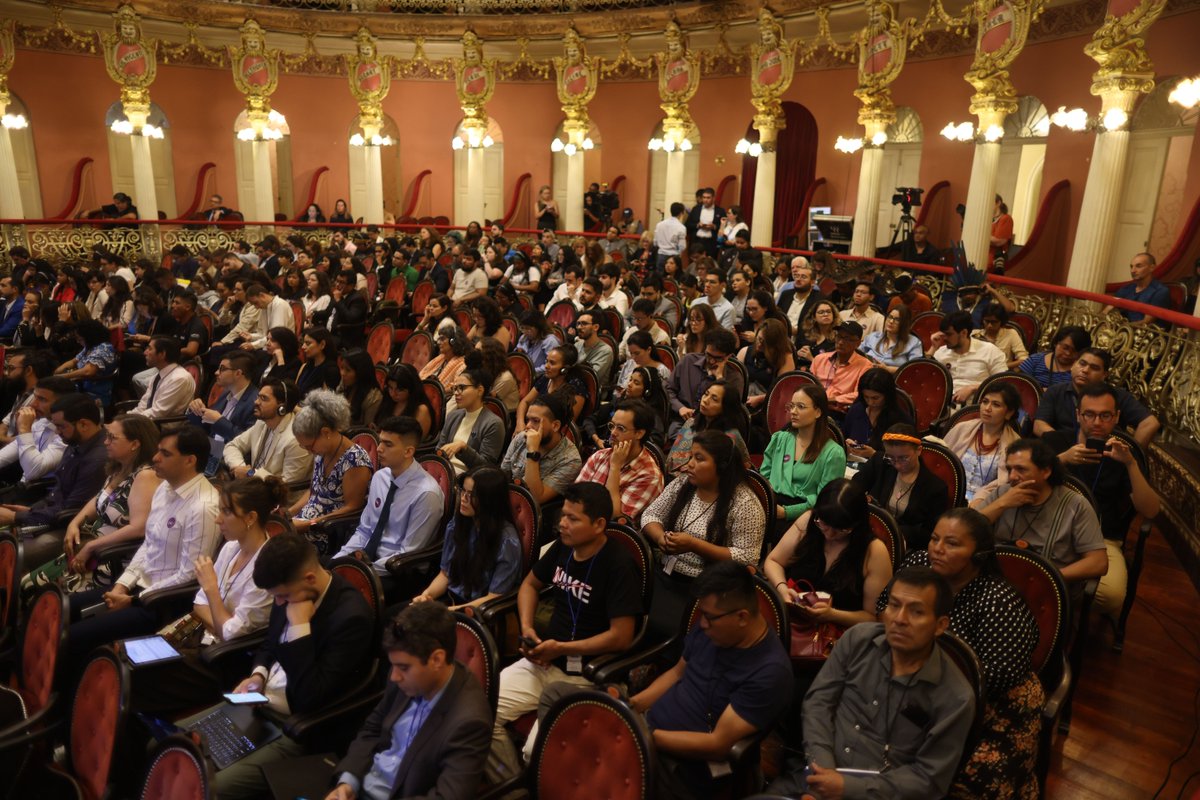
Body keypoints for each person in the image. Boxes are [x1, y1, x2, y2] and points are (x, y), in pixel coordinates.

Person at [877, 509, 1043, 799]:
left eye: (952, 544)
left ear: (978, 554)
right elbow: (883, 607)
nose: (937, 550)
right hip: (916, 683)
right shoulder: (918, 563)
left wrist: (927, 685)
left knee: (954, 779)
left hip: (990, 708)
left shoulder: (997, 601)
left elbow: (997, 678)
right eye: (934, 539)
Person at [769, 567, 975, 799]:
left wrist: (845, 788)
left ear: (940, 625)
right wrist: (824, 775)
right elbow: (818, 703)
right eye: (894, 606)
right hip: (816, 776)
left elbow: (928, 780)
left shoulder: (955, 697)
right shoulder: (857, 640)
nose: (899, 619)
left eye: (916, 612)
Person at [492, 481, 644, 771]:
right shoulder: (563, 546)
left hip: (589, 675)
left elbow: (622, 637)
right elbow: (529, 586)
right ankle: (512, 790)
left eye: (573, 519)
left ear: (599, 524)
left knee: (535, 753)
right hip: (545, 660)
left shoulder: (618, 565)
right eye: (563, 515)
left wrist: (561, 648)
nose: (562, 524)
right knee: (482, 712)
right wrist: (527, 628)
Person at [215, 533, 374, 800]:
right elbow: (270, 643)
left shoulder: (351, 618)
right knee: (174, 744)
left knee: (211, 786)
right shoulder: (289, 592)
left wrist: (300, 629)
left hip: (296, 727)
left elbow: (309, 697)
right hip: (259, 703)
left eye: (282, 597)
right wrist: (258, 675)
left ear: (310, 578)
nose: (278, 603)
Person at [63, 425, 221, 672]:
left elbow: (190, 575)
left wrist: (136, 598)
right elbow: (148, 545)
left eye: (165, 454)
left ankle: (68, 696)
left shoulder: (203, 507)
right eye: (158, 451)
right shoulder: (164, 489)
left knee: (73, 635)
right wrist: (121, 585)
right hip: (136, 589)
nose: (155, 458)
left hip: (162, 603)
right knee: (63, 609)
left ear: (190, 460)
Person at [631, 561, 793, 800]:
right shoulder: (714, 630)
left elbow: (716, 744)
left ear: (741, 617)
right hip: (649, 732)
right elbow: (677, 673)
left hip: (685, 768)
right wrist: (631, 706)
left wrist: (642, 735)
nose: (702, 623)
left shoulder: (770, 673)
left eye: (708, 616)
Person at [327, 602, 492, 800]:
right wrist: (348, 781)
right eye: (394, 666)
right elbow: (372, 730)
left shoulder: (469, 723)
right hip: (360, 785)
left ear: (437, 660)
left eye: (403, 668)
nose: (394, 677)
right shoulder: (406, 674)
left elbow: (447, 796)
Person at [1043, 383, 1161, 619]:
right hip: (1048, 526)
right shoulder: (1055, 441)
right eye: (1089, 414)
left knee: (1110, 596)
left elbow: (1150, 510)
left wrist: (1130, 464)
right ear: (1078, 414)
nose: (1097, 423)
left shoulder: (1127, 453)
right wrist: (1062, 460)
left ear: (1116, 417)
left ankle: (1051, 589)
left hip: (1101, 536)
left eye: (1105, 415)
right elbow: (1022, 482)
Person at [22, 414, 161, 597]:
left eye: (112, 437)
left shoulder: (145, 476)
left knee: (34, 592)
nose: (105, 442)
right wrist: (74, 523)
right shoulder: (119, 467)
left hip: (109, 558)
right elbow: (100, 498)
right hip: (89, 546)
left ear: (135, 444)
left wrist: (92, 546)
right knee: (25, 584)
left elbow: (138, 528)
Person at [643, 431, 765, 633]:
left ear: (722, 466)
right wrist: (660, 538)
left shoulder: (744, 503)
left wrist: (694, 545)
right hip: (665, 574)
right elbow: (651, 515)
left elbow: (747, 557)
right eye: (691, 456)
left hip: (707, 590)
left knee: (665, 627)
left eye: (699, 459)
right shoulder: (684, 484)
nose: (689, 464)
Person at [970, 438, 1108, 588]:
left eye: (1021, 469)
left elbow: (1098, 563)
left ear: (1046, 471)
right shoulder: (1004, 493)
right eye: (1010, 469)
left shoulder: (1076, 505)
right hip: (997, 578)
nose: (1012, 477)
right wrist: (1001, 504)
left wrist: (1049, 577)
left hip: (1043, 587)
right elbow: (967, 530)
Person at [334, 416, 443, 597]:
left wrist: (360, 571)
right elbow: (365, 530)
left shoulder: (426, 494)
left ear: (408, 452)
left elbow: (408, 553)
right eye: (379, 442)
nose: (379, 449)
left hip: (399, 571)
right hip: (368, 560)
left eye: (388, 444)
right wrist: (341, 559)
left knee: (342, 594)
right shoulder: (380, 477)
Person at [763, 478, 892, 628]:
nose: (829, 535)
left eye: (841, 529)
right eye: (823, 524)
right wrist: (783, 588)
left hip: (839, 635)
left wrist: (833, 614)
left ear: (857, 525)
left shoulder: (874, 551)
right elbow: (773, 561)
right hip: (792, 620)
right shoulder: (809, 523)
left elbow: (874, 618)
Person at [0, 395, 110, 566]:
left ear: (83, 424)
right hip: (52, 514)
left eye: (61, 426)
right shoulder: (75, 443)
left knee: (6, 555)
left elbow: (70, 512)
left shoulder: (98, 459)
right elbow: (57, 492)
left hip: (73, 528)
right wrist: (31, 511)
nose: (57, 432)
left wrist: (18, 517)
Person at [413, 466, 522, 609]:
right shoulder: (458, 523)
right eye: (463, 491)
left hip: (478, 613)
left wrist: (453, 611)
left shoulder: (507, 542)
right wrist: (427, 595)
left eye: (472, 495)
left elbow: (494, 597)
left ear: (490, 501)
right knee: (397, 616)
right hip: (452, 600)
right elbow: (445, 575)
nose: (463, 498)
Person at [1033, 347, 1160, 446]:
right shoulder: (1055, 391)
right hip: (1064, 452)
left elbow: (1150, 423)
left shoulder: (1118, 395)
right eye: (1082, 364)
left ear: (1104, 375)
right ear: (1073, 365)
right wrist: (1064, 444)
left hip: (1105, 456)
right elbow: (1039, 425)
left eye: (1094, 368)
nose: (1085, 370)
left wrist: (1132, 455)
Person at [288, 390, 372, 535]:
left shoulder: (356, 461)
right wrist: (288, 514)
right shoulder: (322, 451)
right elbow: (314, 492)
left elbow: (352, 508)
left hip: (329, 529)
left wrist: (309, 524)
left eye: (309, 446)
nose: (309, 451)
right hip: (306, 522)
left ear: (326, 433)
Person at [853, 424, 949, 550]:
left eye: (904, 458)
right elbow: (854, 488)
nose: (897, 465)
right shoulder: (880, 462)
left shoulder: (935, 488)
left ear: (919, 450)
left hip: (905, 545)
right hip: (869, 533)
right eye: (891, 457)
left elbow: (930, 533)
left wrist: (890, 531)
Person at [761, 385, 847, 521]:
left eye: (800, 407)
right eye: (792, 406)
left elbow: (825, 499)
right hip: (770, 504)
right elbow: (763, 478)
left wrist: (787, 512)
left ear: (818, 412)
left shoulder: (834, 453)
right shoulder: (779, 439)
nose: (793, 412)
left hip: (804, 515)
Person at [576, 399, 664, 522]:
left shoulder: (650, 476)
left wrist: (615, 467)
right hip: (579, 523)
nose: (612, 433)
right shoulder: (599, 456)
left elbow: (614, 518)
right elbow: (574, 498)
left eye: (621, 429)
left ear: (639, 433)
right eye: (612, 426)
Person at [223, 378, 313, 485]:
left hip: (279, 498)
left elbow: (288, 483)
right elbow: (232, 446)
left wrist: (251, 474)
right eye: (258, 397)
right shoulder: (261, 423)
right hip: (253, 488)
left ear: (282, 407)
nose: (256, 402)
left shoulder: (296, 439)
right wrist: (240, 467)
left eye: (264, 398)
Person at [500, 393, 582, 505]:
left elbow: (534, 499)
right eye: (528, 419)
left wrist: (532, 452)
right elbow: (503, 475)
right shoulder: (521, 437)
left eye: (535, 421)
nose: (528, 426)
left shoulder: (570, 460)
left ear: (555, 426)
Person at [0, 375, 74, 486]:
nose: (32, 404)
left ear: (62, 403)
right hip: (23, 488)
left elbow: (33, 472)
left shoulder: (67, 433)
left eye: (42, 399)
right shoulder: (42, 422)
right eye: (35, 397)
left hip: (43, 493)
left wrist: (24, 429)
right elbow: (4, 456)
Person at [664, 381, 748, 475]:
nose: (705, 400)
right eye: (706, 394)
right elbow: (670, 462)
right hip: (675, 480)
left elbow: (737, 472)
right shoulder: (691, 423)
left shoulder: (731, 437)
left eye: (714, 399)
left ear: (725, 406)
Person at [668, 329, 744, 432]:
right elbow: (669, 390)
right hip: (681, 420)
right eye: (709, 355)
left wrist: (720, 378)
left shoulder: (734, 378)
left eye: (718, 358)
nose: (711, 361)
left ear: (728, 357)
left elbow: (730, 412)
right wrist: (680, 408)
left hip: (712, 428)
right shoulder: (688, 361)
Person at [930, 310, 1007, 405]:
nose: (944, 338)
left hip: (976, 405)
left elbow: (1003, 381)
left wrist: (973, 388)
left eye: (949, 334)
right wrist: (933, 348)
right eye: (943, 334)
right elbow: (927, 379)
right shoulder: (941, 352)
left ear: (964, 333)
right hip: (943, 403)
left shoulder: (990, 351)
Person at [437, 369, 505, 475]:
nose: (456, 393)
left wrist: (463, 447)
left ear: (480, 390)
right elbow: (439, 449)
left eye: (461, 388)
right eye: (454, 388)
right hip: (444, 470)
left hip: (468, 478)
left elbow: (485, 467)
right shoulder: (453, 415)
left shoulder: (494, 424)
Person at [840, 367, 914, 460]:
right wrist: (846, 445)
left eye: (875, 398)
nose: (870, 402)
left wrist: (874, 454)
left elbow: (905, 459)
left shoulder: (900, 420)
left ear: (887, 395)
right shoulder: (857, 409)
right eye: (866, 397)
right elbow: (844, 436)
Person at [186, 351, 259, 440]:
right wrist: (196, 410)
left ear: (238, 373)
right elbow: (207, 426)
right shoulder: (226, 393)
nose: (216, 372)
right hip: (211, 446)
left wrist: (219, 421)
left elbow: (248, 441)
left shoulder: (256, 402)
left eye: (222, 369)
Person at [516, 345, 587, 428]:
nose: (546, 366)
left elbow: (568, 425)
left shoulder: (575, 388)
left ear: (565, 369)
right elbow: (525, 402)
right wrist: (520, 423)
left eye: (552, 363)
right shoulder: (545, 378)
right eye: (547, 361)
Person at [811, 321, 872, 413]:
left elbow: (860, 394)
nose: (840, 342)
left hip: (840, 412)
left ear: (858, 343)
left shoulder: (865, 365)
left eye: (847, 339)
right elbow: (808, 385)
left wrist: (834, 399)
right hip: (814, 407)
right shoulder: (819, 359)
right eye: (839, 336)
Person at [55, 319, 118, 406]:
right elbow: (73, 361)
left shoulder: (104, 348)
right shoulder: (89, 347)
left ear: (89, 337)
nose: (77, 342)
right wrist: (56, 372)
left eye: (80, 339)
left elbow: (88, 371)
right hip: (80, 388)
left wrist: (62, 377)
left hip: (95, 394)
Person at [130, 337, 197, 420]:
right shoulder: (158, 375)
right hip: (150, 422)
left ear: (162, 354)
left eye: (149, 349)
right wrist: (127, 417)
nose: (145, 352)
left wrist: (130, 421)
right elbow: (143, 405)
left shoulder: (180, 378)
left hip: (165, 426)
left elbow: (158, 413)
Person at [739, 317, 796, 411]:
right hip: (744, 397)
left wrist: (760, 399)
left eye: (765, 343)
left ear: (775, 344)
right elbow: (734, 380)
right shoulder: (745, 351)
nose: (759, 344)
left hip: (768, 403)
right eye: (759, 339)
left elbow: (782, 391)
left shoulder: (785, 358)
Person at [1104, 251, 1172, 325]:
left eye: (1138, 266)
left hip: (1143, 333)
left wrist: (1121, 327)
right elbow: (1107, 310)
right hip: (1122, 330)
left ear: (1151, 268)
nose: (1133, 271)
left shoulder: (1160, 291)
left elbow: (1146, 322)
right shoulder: (1126, 289)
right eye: (1131, 266)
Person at [1017, 325, 1090, 388]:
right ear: (1056, 343)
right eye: (1065, 348)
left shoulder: (1082, 371)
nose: (1068, 353)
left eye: (1074, 351)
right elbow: (1019, 382)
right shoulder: (1036, 359)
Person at [861, 304, 923, 372]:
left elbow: (914, 369)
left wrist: (887, 369)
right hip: (866, 373)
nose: (891, 321)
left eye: (897, 319)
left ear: (904, 323)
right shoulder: (873, 337)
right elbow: (857, 354)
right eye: (890, 317)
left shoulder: (914, 342)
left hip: (892, 379)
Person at [973, 302, 1028, 370]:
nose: (989, 325)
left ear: (1001, 321)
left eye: (994, 322)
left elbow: (1024, 359)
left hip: (999, 374)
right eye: (987, 321)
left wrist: (1002, 366)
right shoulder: (974, 334)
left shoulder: (1011, 334)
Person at [337, 348, 383, 428]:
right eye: (341, 368)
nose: (342, 373)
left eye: (348, 370)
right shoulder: (344, 382)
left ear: (361, 372)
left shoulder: (373, 397)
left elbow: (367, 431)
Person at [778, 258, 825, 335]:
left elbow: (815, 326)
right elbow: (777, 315)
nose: (798, 279)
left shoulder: (818, 299)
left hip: (804, 340)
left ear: (812, 282)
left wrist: (796, 332)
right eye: (796, 276)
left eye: (803, 277)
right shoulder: (786, 294)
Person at [516, 310, 561, 375]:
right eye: (523, 328)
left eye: (528, 329)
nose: (525, 332)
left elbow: (550, 366)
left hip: (540, 377)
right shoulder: (524, 337)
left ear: (539, 327)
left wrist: (529, 372)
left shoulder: (550, 341)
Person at [795, 299, 839, 364]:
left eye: (829, 311)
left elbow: (832, 367)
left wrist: (811, 359)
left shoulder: (838, 338)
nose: (826, 314)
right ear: (814, 317)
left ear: (833, 315)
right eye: (821, 312)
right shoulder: (805, 335)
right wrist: (798, 354)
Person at [574, 310, 614, 379]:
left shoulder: (605, 351)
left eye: (584, 324)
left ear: (596, 327)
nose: (579, 327)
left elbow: (591, 377)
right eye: (578, 324)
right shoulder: (577, 345)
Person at [654, 202, 689, 272]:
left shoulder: (659, 225)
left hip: (661, 255)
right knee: (671, 280)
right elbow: (682, 246)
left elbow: (655, 242)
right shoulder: (681, 227)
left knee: (660, 279)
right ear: (681, 213)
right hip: (674, 257)